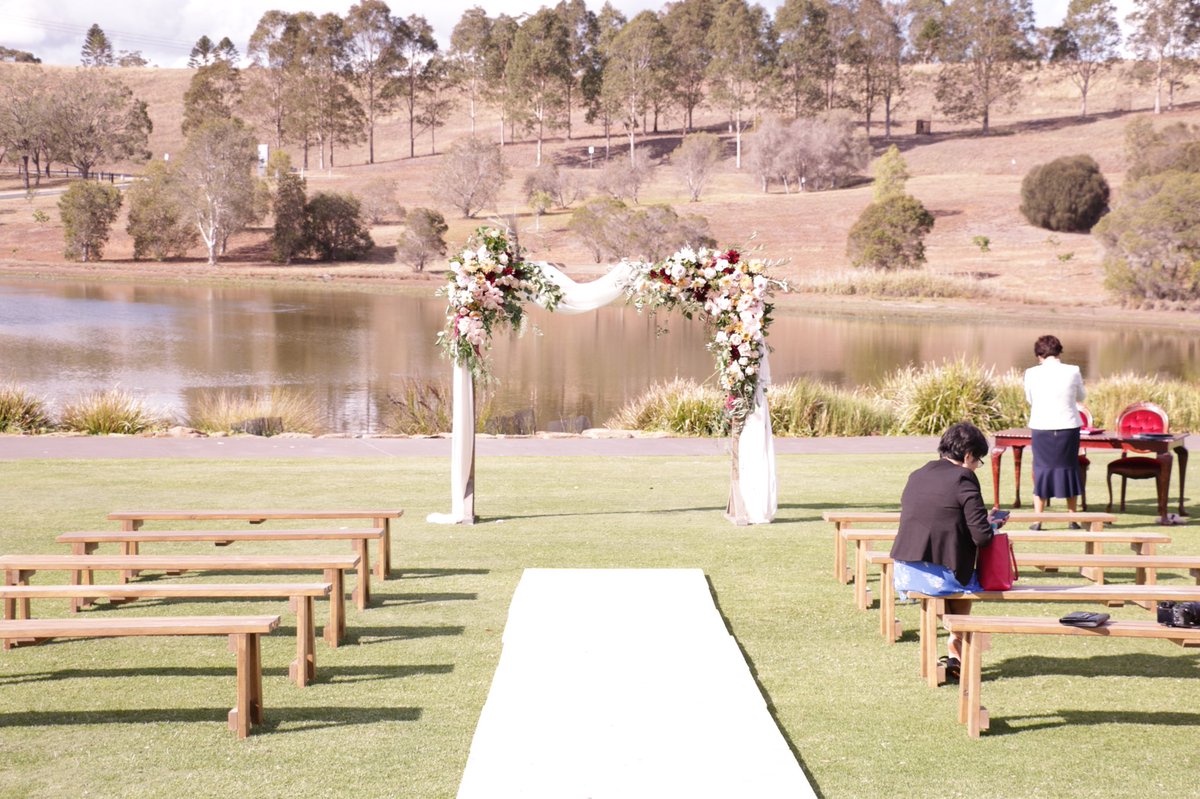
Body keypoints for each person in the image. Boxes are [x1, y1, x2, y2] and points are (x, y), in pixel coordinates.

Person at [890, 422, 1003, 681]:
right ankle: (956, 639)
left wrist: (978, 520)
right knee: (968, 579)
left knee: (956, 573)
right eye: (978, 461)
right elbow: (982, 538)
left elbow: (939, 517)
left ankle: (955, 643)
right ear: (967, 456)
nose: (977, 467)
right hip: (939, 574)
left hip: (906, 569)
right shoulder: (964, 477)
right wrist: (990, 524)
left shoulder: (918, 473)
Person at [1023, 334, 1086, 530]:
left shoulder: (1032, 373)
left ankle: (1038, 520)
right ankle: (1072, 518)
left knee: (1041, 469)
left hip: (1042, 426)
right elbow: (1081, 396)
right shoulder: (1073, 370)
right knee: (1070, 468)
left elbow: (1029, 399)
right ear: (1059, 351)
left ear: (1039, 354)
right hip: (1068, 426)